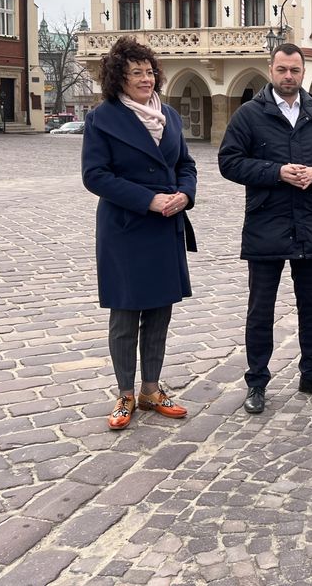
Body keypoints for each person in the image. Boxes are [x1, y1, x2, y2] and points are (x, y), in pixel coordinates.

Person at [218, 42, 312, 415]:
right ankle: (257, 382)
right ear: (271, 70)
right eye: (282, 70)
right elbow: (229, 162)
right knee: (261, 309)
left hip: (309, 221)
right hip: (266, 222)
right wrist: (275, 172)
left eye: (294, 70)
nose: (288, 76)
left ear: (303, 71)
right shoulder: (249, 114)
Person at [81, 37, 198, 430]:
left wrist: (185, 193)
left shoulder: (170, 116)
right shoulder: (103, 118)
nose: (145, 79)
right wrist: (149, 200)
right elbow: (95, 176)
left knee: (160, 312)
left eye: (149, 72)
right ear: (119, 78)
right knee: (126, 314)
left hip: (166, 226)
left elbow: (186, 163)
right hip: (127, 227)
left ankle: (151, 389)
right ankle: (125, 394)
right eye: (136, 73)